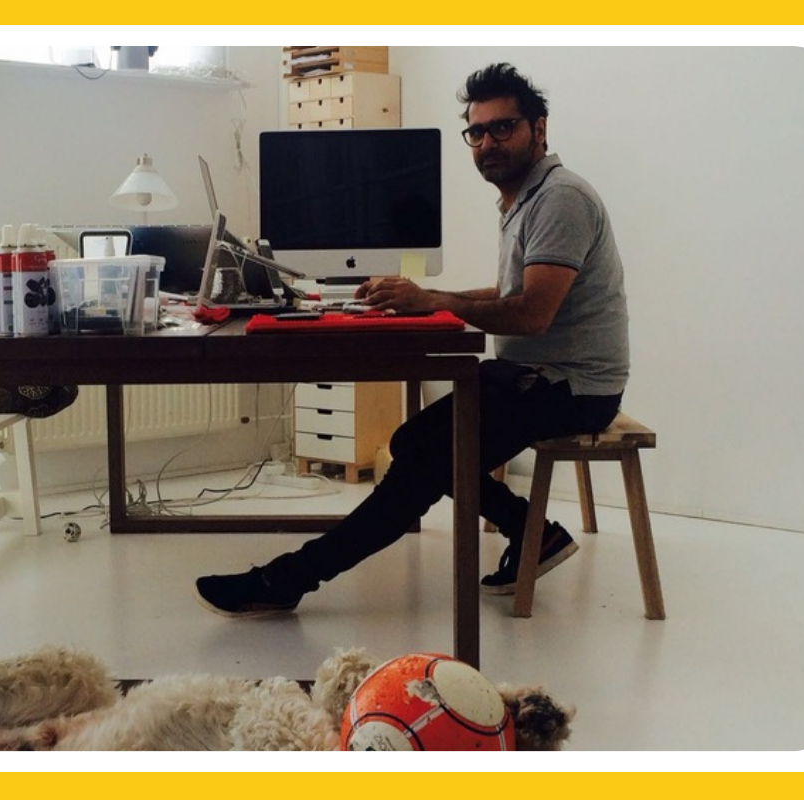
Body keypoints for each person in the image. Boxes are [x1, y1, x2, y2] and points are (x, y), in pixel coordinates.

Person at [195, 62, 630, 617]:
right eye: (477, 131)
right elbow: (512, 291)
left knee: (422, 462)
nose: (488, 143)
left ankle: (288, 578)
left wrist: (434, 301)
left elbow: (532, 314)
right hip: (533, 376)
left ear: (538, 129)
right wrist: (429, 296)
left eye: (503, 127)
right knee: (411, 444)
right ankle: (531, 529)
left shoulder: (560, 199)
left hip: (573, 388)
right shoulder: (525, 198)